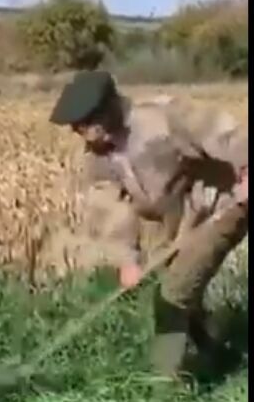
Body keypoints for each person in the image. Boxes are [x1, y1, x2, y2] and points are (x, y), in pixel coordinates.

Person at [49, 70, 248, 381]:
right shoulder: (99, 158)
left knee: (172, 295)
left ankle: (164, 383)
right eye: (76, 127)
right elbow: (112, 209)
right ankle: (220, 356)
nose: (79, 132)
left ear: (106, 110)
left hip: (219, 206)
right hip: (172, 220)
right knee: (182, 292)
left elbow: (228, 135)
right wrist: (127, 258)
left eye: (84, 124)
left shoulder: (165, 117)